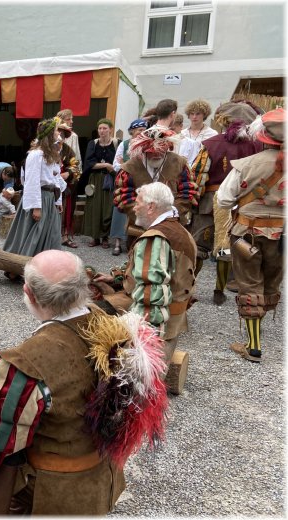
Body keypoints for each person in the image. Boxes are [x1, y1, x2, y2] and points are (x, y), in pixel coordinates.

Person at [0, 249, 168, 515]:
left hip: (59, 492)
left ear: (29, 294)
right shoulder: (113, 326)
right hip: (102, 473)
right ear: (83, 288)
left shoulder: (30, 362)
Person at [94, 182, 197, 377]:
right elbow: (158, 272)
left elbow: (151, 297)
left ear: (151, 206)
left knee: (90, 313)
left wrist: (144, 344)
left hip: (157, 325)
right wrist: (116, 277)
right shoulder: (177, 230)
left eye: (138, 202)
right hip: (173, 320)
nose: (134, 207)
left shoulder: (155, 238)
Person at [217, 108, 284, 363]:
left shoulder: (246, 165)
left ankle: (253, 346)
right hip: (282, 238)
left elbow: (223, 200)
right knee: (269, 284)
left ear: (264, 136)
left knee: (250, 284)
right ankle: (253, 340)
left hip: (247, 233)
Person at [190, 101, 263, 305]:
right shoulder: (257, 146)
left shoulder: (211, 144)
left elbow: (197, 176)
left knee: (198, 246)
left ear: (224, 120)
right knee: (227, 248)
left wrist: (194, 199)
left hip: (209, 203)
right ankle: (218, 290)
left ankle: (189, 286)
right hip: (242, 204)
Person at [114, 126, 199, 245]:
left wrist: (168, 216)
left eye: (160, 152)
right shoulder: (129, 168)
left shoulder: (180, 164)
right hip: (139, 229)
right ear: (142, 150)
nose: (156, 155)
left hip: (173, 227)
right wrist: (146, 217)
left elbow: (188, 193)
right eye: (151, 153)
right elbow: (125, 198)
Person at [4, 117, 67, 261]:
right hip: (40, 198)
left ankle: (46, 267)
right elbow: (31, 181)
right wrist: (36, 207)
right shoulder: (36, 154)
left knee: (51, 234)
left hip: (49, 199)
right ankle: (21, 266)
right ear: (50, 133)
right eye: (57, 130)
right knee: (34, 234)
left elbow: (55, 177)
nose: (59, 133)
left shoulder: (50, 154)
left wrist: (58, 201)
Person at [109, 119, 148, 255]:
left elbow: (147, 167)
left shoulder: (147, 147)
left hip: (141, 184)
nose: (141, 132)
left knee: (139, 211)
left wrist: (125, 163)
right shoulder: (124, 145)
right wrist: (127, 165)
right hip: (125, 182)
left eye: (144, 130)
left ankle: (135, 244)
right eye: (138, 130)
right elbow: (115, 165)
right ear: (132, 131)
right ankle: (118, 243)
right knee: (121, 210)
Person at [82, 118, 117, 248]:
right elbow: (89, 163)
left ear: (110, 129)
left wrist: (109, 167)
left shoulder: (116, 143)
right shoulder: (93, 143)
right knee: (94, 207)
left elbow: (118, 163)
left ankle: (105, 237)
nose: (102, 131)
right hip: (95, 179)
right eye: (100, 128)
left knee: (107, 207)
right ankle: (95, 236)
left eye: (105, 128)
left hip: (109, 179)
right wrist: (106, 165)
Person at [56, 109, 82, 248]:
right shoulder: (42, 147)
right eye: (68, 119)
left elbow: (75, 163)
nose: (71, 122)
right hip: (46, 187)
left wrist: (69, 174)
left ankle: (64, 236)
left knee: (66, 209)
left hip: (65, 183)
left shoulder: (67, 147)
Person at [179, 99, 218, 168]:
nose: (194, 117)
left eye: (198, 114)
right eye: (192, 114)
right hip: (183, 171)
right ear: (188, 115)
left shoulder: (212, 134)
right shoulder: (182, 133)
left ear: (204, 115)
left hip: (202, 171)